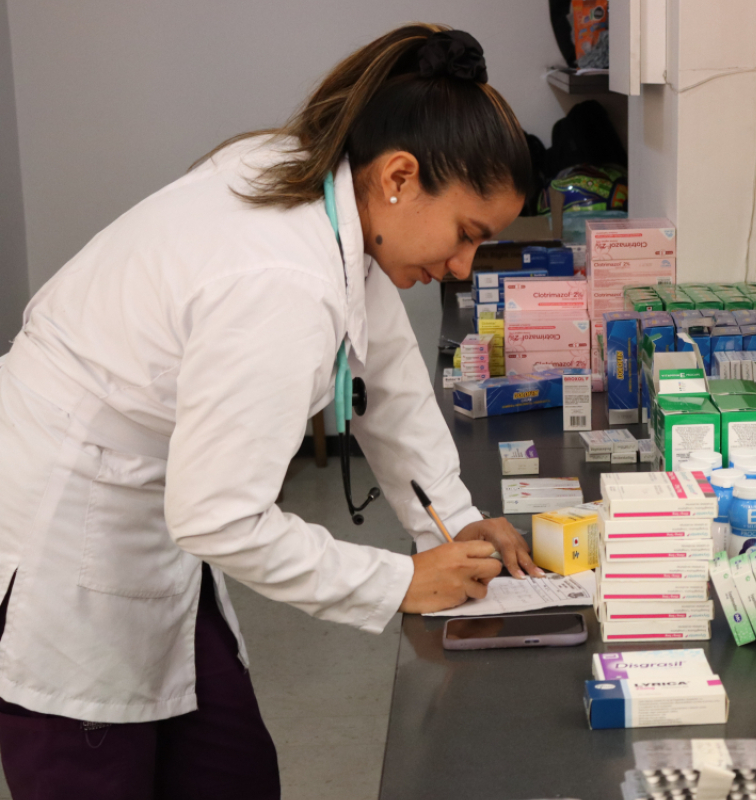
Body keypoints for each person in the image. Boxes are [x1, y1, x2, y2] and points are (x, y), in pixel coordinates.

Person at [0, 23, 542, 799]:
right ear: (399, 176)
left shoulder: (325, 190)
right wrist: (401, 582)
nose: (462, 266)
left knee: (234, 774)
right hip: (67, 536)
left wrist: (453, 524)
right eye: (467, 234)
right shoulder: (281, 280)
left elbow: (382, 373)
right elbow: (220, 516)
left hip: (156, 510)